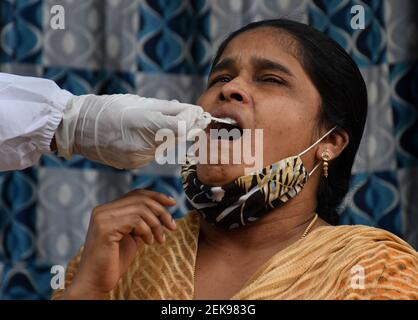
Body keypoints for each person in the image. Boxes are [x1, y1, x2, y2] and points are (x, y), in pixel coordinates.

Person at [53, 19, 418, 300]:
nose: (230, 88)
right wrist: (87, 291)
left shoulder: (375, 271)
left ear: (331, 142)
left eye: (271, 79)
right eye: (221, 77)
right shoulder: (120, 254)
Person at [0, 72, 210, 171]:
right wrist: (72, 124)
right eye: (223, 78)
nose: (231, 89)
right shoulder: (117, 245)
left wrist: (69, 124)